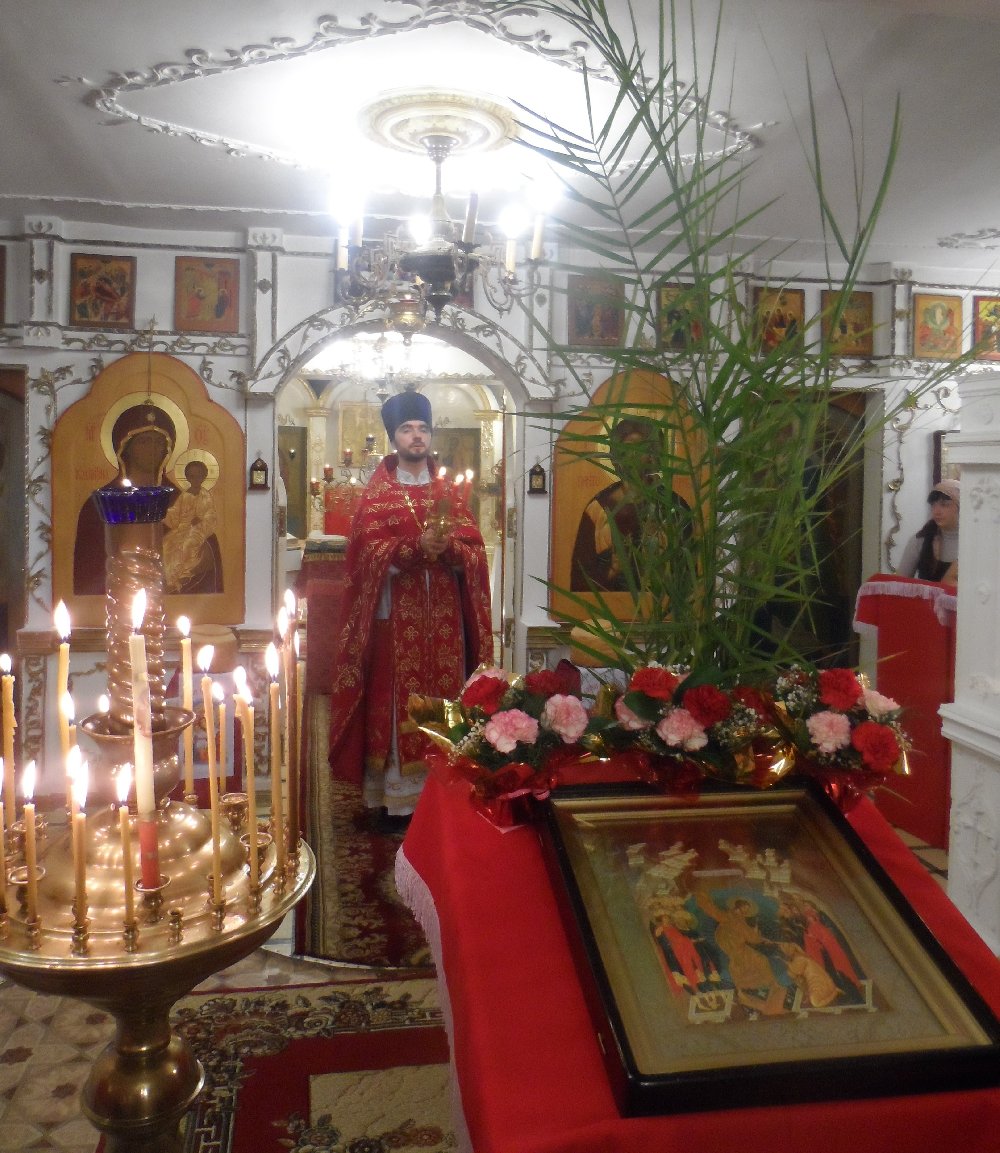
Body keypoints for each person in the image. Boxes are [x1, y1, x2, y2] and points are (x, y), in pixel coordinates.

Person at [327, 391, 493, 832]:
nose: (416, 436)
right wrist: (410, 548)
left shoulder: (450, 493)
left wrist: (452, 549)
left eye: (422, 429)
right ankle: (398, 801)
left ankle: (443, 793)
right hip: (394, 619)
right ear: (393, 437)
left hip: (445, 620)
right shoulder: (377, 495)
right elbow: (364, 556)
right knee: (397, 703)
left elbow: (475, 552)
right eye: (407, 429)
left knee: (447, 700)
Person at [570, 414, 690, 592]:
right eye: (625, 448)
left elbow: (688, 575)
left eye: (639, 448)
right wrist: (612, 569)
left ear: (653, 455)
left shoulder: (673, 505)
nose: (631, 455)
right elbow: (579, 580)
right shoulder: (598, 509)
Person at [898, 479, 960, 584]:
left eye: (944, 505)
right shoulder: (921, 539)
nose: (936, 511)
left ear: (960, 507)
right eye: (933, 505)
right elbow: (900, 583)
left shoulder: (975, 542)